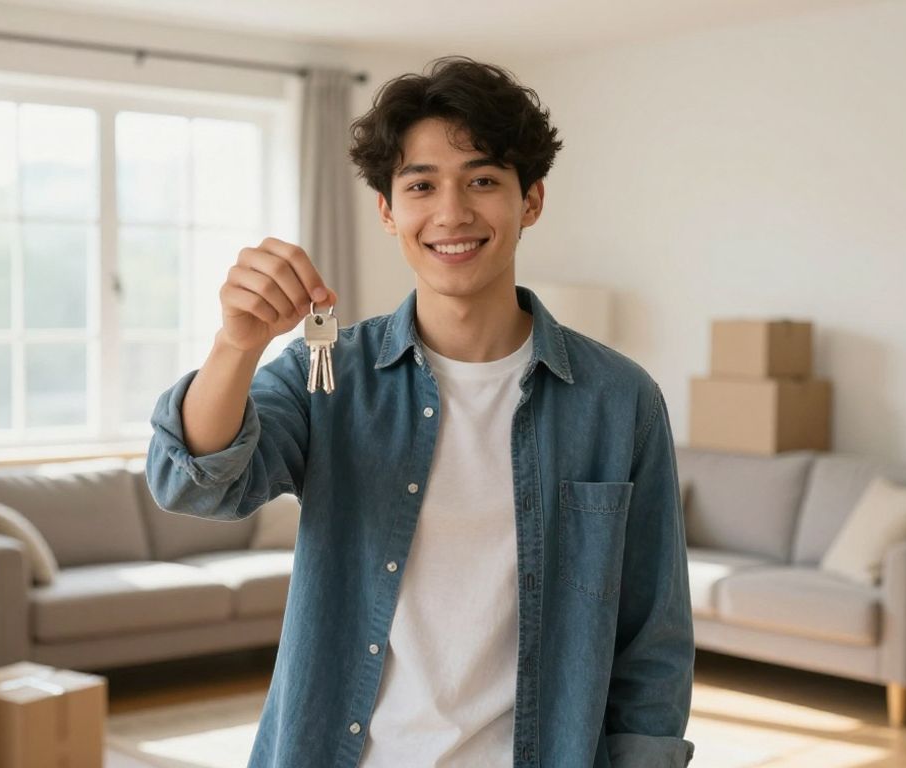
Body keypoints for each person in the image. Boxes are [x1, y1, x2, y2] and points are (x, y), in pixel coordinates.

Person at [146, 55, 695, 768]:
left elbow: (652, 641)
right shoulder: (329, 375)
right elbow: (193, 482)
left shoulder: (620, 400)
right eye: (421, 185)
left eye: (484, 181)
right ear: (387, 210)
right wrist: (235, 345)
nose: (452, 213)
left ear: (530, 201)